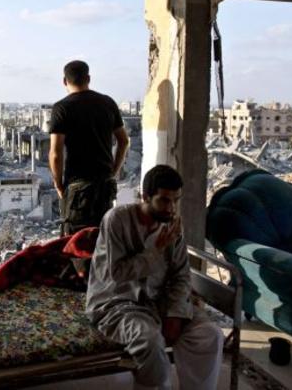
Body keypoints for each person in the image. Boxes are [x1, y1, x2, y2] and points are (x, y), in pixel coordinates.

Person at [86, 165, 223, 390]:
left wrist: (175, 313)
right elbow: (117, 274)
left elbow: (181, 275)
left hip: (160, 299)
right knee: (149, 342)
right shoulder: (117, 221)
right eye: (164, 201)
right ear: (145, 196)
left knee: (210, 335)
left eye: (175, 201)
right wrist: (155, 251)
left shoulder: (172, 225)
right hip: (119, 302)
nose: (171, 208)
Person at [49, 60, 129, 236]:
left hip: (78, 187)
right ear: (89, 78)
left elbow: (56, 153)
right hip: (104, 185)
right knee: (102, 239)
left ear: (64, 81)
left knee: (74, 242)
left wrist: (58, 184)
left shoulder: (62, 108)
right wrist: (114, 170)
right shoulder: (108, 103)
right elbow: (123, 141)